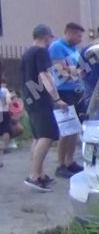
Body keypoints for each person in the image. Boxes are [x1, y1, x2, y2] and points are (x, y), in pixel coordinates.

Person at [22, 24, 69, 192]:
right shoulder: (41, 52)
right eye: (51, 38)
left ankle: (38, 174)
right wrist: (56, 98)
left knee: (37, 136)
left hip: (28, 97)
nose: (51, 41)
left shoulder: (28, 52)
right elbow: (45, 75)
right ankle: (34, 175)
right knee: (47, 135)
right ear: (45, 37)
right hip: (40, 99)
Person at [48, 22, 86, 179]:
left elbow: (79, 69)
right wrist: (73, 71)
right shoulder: (57, 47)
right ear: (69, 33)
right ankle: (61, 164)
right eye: (78, 35)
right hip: (64, 90)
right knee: (66, 128)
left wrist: (73, 70)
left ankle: (70, 161)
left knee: (75, 128)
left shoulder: (73, 49)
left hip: (76, 90)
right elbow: (60, 71)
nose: (80, 39)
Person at [0, 78, 10, 165]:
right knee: (5, 130)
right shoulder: (5, 90)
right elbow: (8, 101)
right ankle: (5, 148)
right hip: (4, 111)